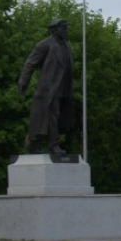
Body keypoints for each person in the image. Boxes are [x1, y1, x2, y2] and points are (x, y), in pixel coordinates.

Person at [18, 18, 75, 154]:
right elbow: (30, 63)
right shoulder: (45, 45)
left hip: (63, 88)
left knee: (56, 117)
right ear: (55, 30)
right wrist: (23, 81)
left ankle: (33, 141)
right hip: (49, 88)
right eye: (63, 28)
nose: (66, 31)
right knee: (51, 116)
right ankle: (53, 145)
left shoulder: (66, 46)